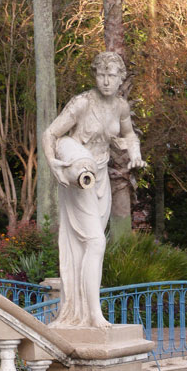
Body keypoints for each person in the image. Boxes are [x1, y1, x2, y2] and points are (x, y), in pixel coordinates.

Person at [42, 51, 144, 327]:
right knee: (96, 242)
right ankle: (92, 314)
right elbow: (51, 134)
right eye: (102, 74)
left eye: (112, 75)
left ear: (121, 78)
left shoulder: (120, 107)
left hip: (101, 177)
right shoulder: (82, 104)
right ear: (95, 75)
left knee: (91, 244)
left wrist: (134, 150)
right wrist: (55, 164)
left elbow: (129, 133)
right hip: (79, 174)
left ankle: (81, 310)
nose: (106, 81)